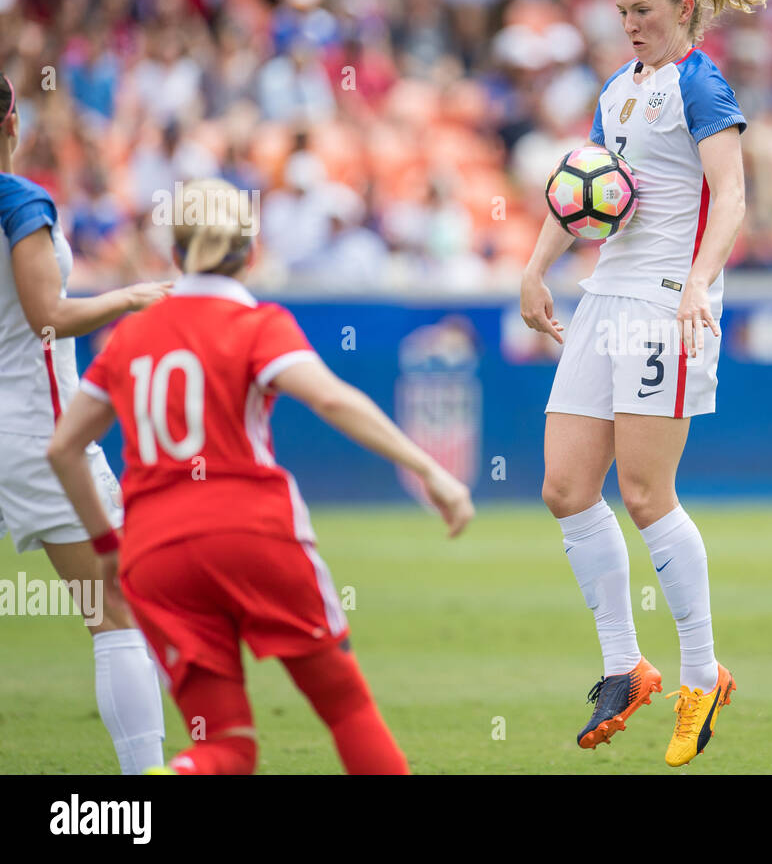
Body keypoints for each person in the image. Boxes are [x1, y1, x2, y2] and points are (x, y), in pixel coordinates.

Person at [47, 178, 474, 774]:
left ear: (175, 253)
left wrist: (106, 545)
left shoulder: (129, 336)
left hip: (155, 553)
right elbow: (331, 400)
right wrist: (429, 468)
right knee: (344, 706)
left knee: (227, 746)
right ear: (251, 253)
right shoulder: (256, 324)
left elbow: (64, 448)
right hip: (252, 531)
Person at [519, 0, 772, 767]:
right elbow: (589, 194)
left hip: (669, 303)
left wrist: (701, 279)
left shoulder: (702, 86)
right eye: (621, 11)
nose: (628, 24)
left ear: (684, 8)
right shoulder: (616, 90)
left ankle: (701, 675)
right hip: (604, 296)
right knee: (564, 486)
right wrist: (535, 268)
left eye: (641, 10)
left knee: (643, 492)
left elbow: (732, 197)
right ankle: (625, 665)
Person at [0, 71, 170, 774]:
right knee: (117, 611)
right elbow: (49, 316)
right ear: (12, 123)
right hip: (37, 434)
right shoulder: (19, 199)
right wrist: (130, 296)